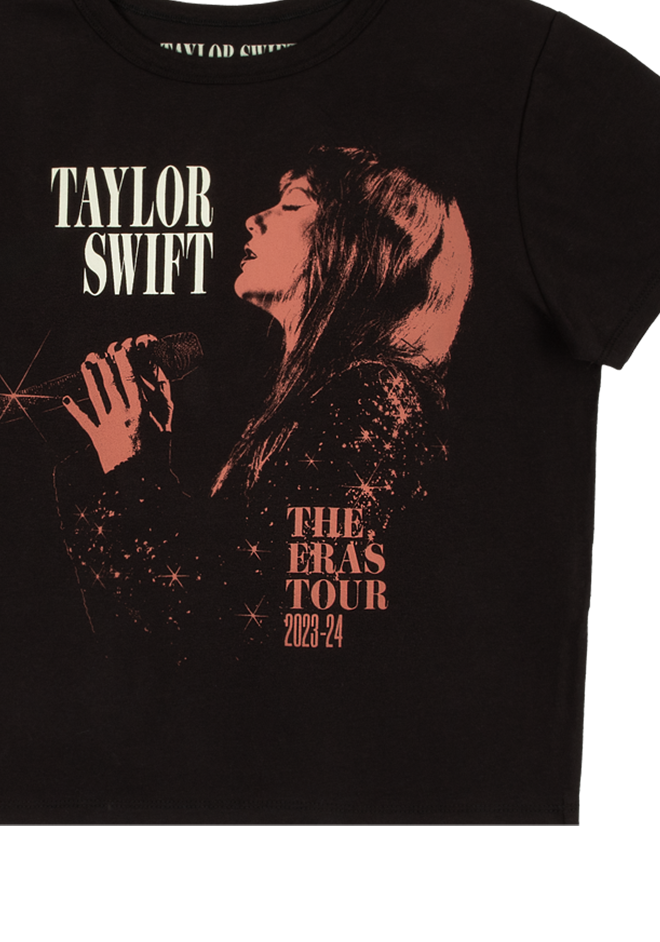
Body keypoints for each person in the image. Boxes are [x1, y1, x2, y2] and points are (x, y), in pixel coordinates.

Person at [53, 145, 473, 662]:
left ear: (356, 243)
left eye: (293, 204)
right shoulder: (334, 397)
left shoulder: (373, 398)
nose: (253, 219)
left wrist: (128, 467)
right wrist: (147, 461)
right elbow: (224, 577)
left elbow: (232, 625)